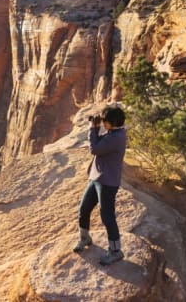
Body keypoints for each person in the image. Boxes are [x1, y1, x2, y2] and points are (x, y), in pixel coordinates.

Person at [73, 106, 127, 265]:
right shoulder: (113, 133)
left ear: (113, 122)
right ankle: (85, 238)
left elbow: (94, 148)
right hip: (96, 179)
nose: (102, 123)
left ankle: (116, 251)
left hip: (108, 183)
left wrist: (92, 128)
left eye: (105, 121)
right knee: (84, 209)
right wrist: (97, 129)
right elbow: (99, 144)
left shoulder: (116, 137)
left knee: (107, 216)